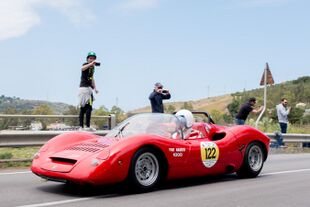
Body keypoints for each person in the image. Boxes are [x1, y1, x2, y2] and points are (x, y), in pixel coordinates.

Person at [78, 51, 100, 130]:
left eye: (93, 58)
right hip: (83, 89)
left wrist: (95, 88)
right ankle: (81, 126)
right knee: (83, 108)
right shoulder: (85, 65)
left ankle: (87, 126)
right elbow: (82, 68)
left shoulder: (92, 68)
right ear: (87, 59)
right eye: (90, 58)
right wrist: (91, 63)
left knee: (89, 107)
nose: (92, 60)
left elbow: (92, 78)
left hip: (89, 89)